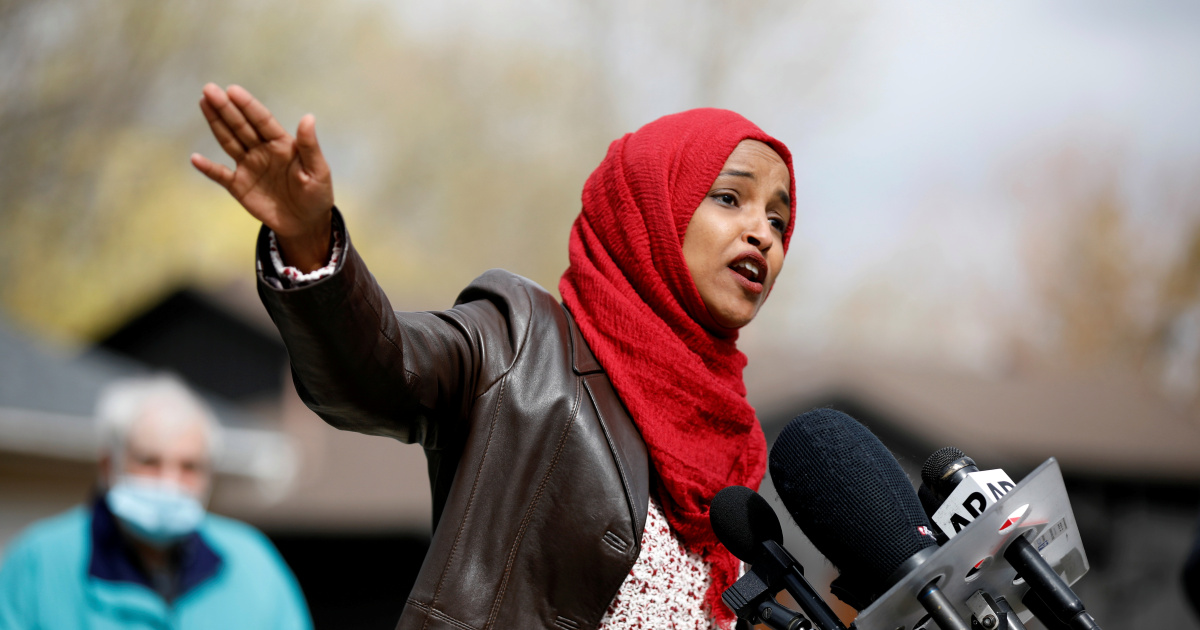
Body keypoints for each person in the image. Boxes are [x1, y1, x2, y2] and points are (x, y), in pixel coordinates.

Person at [190, 83, 794, 630]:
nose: (762, 233)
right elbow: (376, 371)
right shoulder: (524, 344)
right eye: (729, 198)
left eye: (778, 218)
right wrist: (308, 239)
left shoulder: (732, 442)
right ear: (649, 209)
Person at [0, 376, 312, 629]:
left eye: (189, 467)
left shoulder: (254, 565)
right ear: (109, 466)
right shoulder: (38, 564)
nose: (169, 482)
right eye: (149, 461)